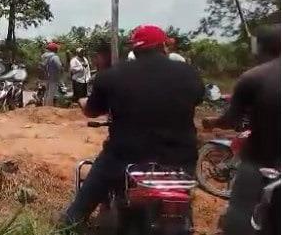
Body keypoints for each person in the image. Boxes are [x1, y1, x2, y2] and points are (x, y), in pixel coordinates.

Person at [62, 25, 204, 229]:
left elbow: (92, 111)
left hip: (126, 156)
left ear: (134, 49)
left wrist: (83, 102)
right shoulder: (188, 73)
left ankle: (70, 223)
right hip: (179, 158)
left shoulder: (111, 76)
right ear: (163, 46)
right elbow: (197, 99)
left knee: (82, 202)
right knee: (180, 200)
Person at [203, 25, 280, 235]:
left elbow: (232, 120)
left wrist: (212, 123)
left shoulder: (254, 77)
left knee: (239, 217)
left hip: (261, 162)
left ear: (259, 47)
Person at [40, 42, 62, 106]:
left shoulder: (44, 56)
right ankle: (49, 107)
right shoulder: (55, 57)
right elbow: (59, 66)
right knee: (51, 93)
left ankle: (45, 105)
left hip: (45, 77)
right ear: (54, 49)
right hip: (53, 77)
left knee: (46, 92)